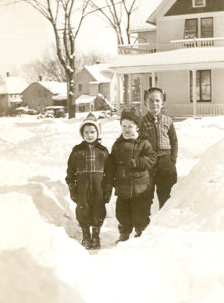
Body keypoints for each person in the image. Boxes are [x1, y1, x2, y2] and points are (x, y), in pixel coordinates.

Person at [102, 109, 156, 242]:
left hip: (140, 186)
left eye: (130, 126)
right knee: (122, 212)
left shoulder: (144, 143)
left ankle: (140, 232)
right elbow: (112, 164)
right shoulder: (118, 144)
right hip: (123, 185)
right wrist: (110, 180)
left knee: (140, 212)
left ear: (137, 127)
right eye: (124, 126)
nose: (127, 129)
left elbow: (151, 158)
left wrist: (137, 162)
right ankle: (124, 233)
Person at [65, 112, 109, 250]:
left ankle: (95, 236)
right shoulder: (77, 151)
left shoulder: (103, 152)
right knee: (83, 210)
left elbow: (109, 174)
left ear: (97, 133)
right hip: (82, 189)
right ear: (82, 134)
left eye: (92, 132)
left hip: (98, 189)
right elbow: (70, 173)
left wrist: (107, 190)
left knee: (98, 210)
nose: (89, 135)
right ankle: (86, 236)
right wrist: (72, 189)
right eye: (86, 132)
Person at [140, 87, 178, 209]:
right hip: (148, 163)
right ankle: (144, 224)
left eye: (157, 100)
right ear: (145, 102)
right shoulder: (141, 122)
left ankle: (164, 221)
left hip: (165, 162)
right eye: (151, 100)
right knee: (145, 194)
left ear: (162, 103)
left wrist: (172, 159)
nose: (154, 104)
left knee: (166, 194)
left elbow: (174, 141)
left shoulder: (168, 120)